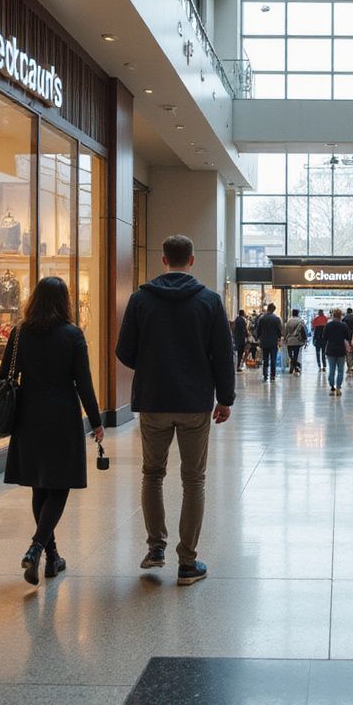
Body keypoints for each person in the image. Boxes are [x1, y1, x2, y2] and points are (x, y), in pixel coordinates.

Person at [116, 234, 235, 585]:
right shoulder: (210, 301)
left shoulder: (141, 300)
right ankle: (187, 562)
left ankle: (156, 548)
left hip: (153, 399)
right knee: (193, 479)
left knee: (152, 474)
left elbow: (124, 351)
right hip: (194, 402)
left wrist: (152, 364)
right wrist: (224, 398)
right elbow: (222, 354)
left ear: (164, 260)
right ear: (192, 260)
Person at [0, 276, 103, 587]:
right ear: (64, 302)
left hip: (28, 414)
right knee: (58, 487)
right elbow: (83, 382)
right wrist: (97, 422)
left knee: (39, 486)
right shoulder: (73, 335)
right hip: (62, 416)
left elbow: (5, 373)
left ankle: (51, 557)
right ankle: (36, 548)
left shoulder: (20, 332)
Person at [323, 307, 350, 396]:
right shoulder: (344, 325)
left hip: (330, 350)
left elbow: (324, 337)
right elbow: (347, 337)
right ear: (340, 316)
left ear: (333, 315)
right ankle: (338, 387)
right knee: (341, 370)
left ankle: (332, 386)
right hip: (341, 350)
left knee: (332, 369)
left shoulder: (328, 325)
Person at [255, 302, 283, 381]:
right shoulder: (276, 319)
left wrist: (258, 338)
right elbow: (279, 331)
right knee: (273, 359)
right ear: (273, 310)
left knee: (265, 358)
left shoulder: (262, 318)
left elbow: (258, 330)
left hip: (264, 342)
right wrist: (279, 339)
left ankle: (265, 375)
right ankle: (273, 375)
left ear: (268, 309)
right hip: (273, 342)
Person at [284, 308, 308, 375]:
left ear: (292, 313)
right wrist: (305, 339)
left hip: (289, 340)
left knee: (290, 355)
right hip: (297, 340)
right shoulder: (300, 321)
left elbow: (286, 331)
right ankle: (296, 366)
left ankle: (293, 367)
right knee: (296, 355)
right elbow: (304, 331)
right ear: (298, 313)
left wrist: (285, 338)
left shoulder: (289, 321)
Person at [342, 307, 353, 375]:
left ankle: (349, 366)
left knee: (348, 351)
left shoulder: (345, 318)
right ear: (352, 311)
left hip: (347, 336)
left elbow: (343, 327)